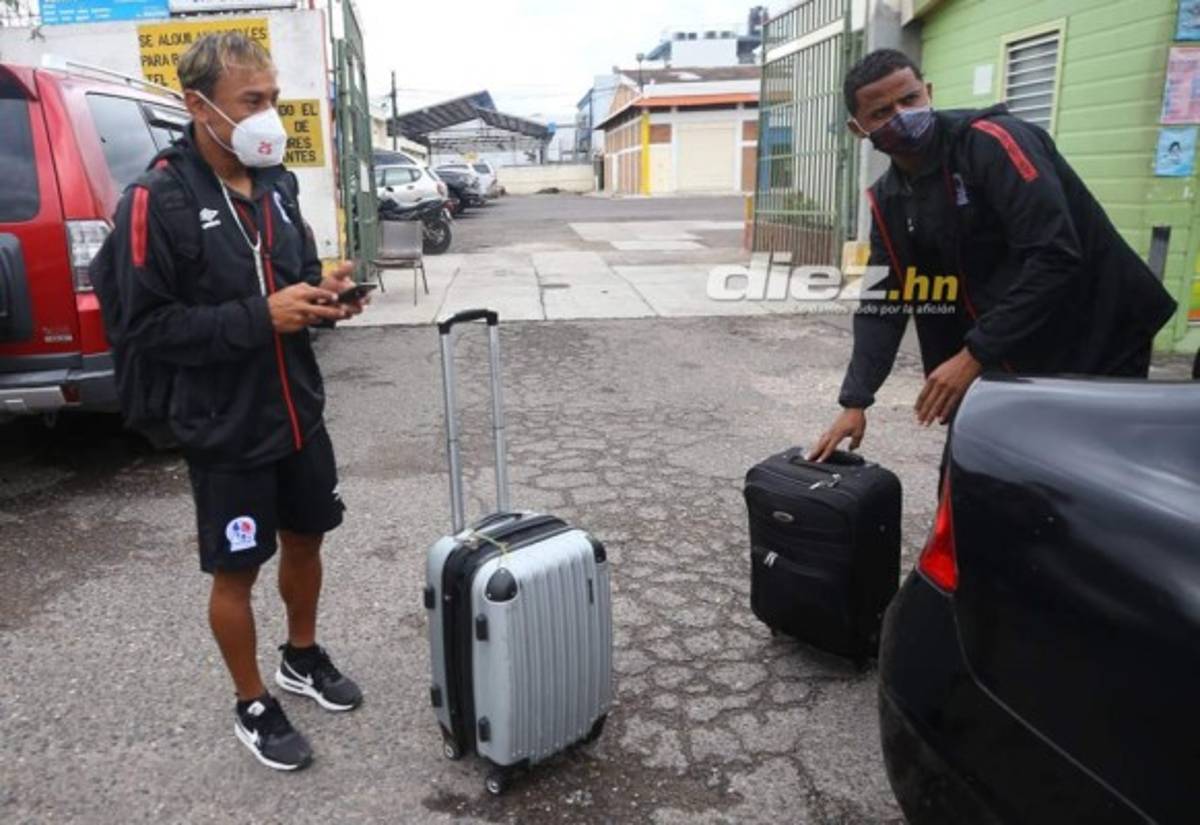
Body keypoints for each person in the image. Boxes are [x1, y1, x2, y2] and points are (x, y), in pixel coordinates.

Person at [101, 32, 367, 771]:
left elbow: (298, 273)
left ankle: (301, 655)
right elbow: (146, 327)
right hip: (225, 426)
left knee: (310, 536)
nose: (269, 117)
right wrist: (262, 317)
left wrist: (326, 295)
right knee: (236, 569)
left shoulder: (276, 181)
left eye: (274, 100)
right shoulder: (157, 201)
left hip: (299, 411)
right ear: (199, 105)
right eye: (252, 101)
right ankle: (253, 699)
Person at [810, 49, 1177, 462]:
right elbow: (884, 303)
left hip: (1097, 332)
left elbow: (1055, 253)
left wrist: (973, 356)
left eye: (909, 100)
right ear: (859, 129)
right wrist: (855, 402)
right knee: (984, 473)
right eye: (881, 112)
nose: (900, 115)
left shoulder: (993, 142)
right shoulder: (889, 200)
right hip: (1012, 343)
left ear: (928, 93)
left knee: (1084, 476)